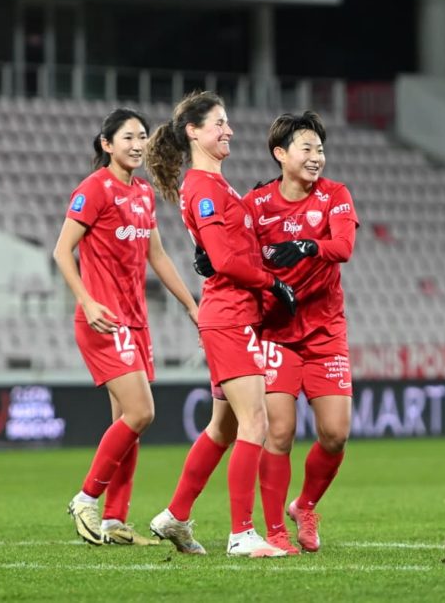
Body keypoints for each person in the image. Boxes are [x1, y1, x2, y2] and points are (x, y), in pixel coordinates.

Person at [195, 111, 358, 554]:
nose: (316, 157)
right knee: (278, 431)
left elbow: (343, 247)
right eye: (307, 148)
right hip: (275, 332)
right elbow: (227, 242)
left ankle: (304, 505)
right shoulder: (256, 203)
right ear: (280, 154)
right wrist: (206, 255)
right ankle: (277, 534)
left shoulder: (335, 196)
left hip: (326, 332)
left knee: (335, 434)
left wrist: (307, 245)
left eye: (320, 149)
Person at [144, 90, 297, 558]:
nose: (228, 130)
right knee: (257, 421)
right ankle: (241, 534)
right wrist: (272, 283)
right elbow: (227, 259)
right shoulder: (204, 187)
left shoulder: (219, 185)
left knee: (223, 429)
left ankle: (175, 515)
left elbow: (223, 251)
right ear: (193, 131)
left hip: (232, 316)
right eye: (218, 123)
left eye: (227, 122)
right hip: (229, 316)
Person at [54, 108, 200, 546]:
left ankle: (115, 522)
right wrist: (87, 300)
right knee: (142, 412)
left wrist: (192, 305)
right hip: (103, 320)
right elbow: (62, 252)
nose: (137, 144)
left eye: (141, 137)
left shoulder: (142, 194)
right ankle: (85, 499)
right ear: (107, 144)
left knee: (128, 425)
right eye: (127, 137)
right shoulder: (93, 189)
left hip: (135, 321)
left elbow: (157, 256)